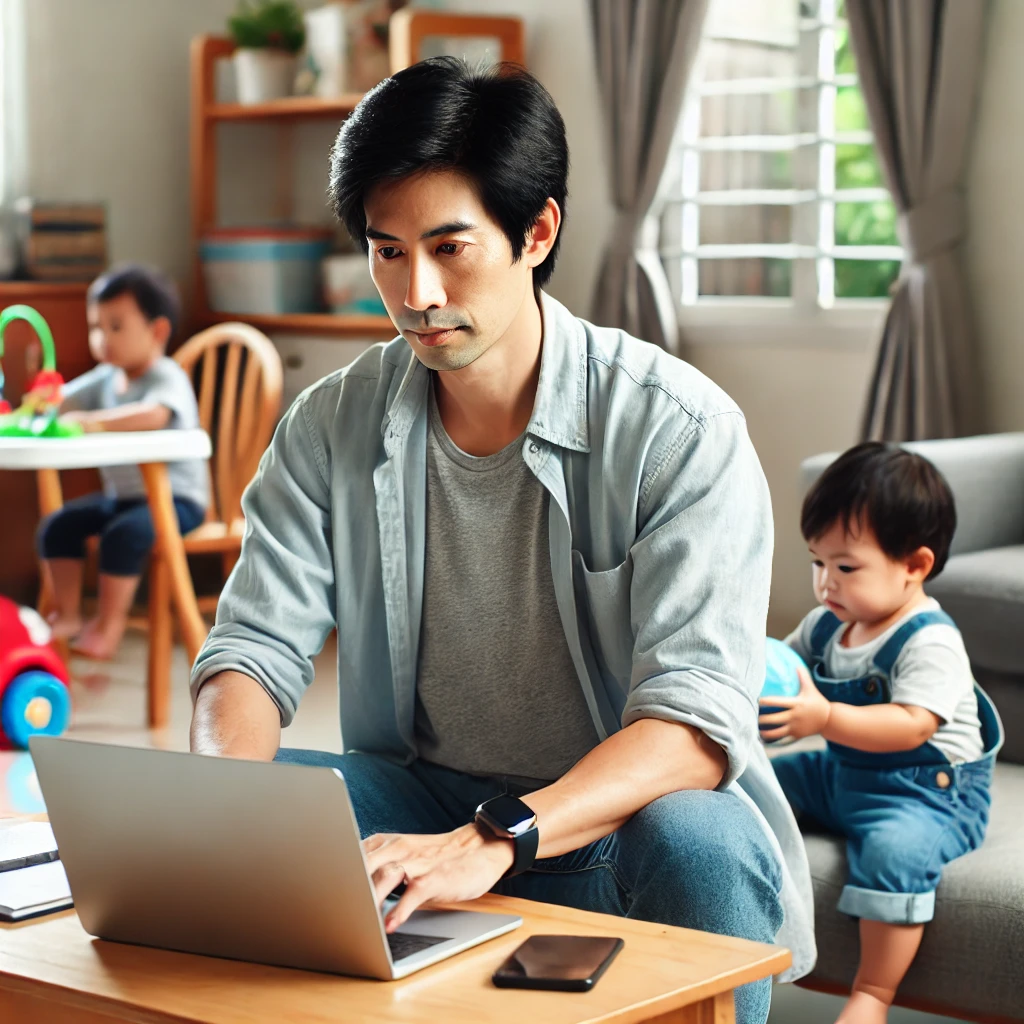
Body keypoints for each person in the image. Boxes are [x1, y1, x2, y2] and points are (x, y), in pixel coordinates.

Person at [189, 58, 814, 1023]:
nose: (418, 292)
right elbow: (252, 649)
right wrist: (218, 806)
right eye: (387, 252)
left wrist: (498, 837)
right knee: (255, 810)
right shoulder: (328, 426)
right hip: (421, 803)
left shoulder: (679, 429)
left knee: (702, 840)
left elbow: (693, 726)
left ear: (537, 232)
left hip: (612, 827)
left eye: (449, 246)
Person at [761, 442, 1003, 1024]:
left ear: (915, 565)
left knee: (895, 853)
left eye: (846, 567)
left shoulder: (930, 640)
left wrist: (822, 719)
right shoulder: (827, 625)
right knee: (758, 784)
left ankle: (873, 991)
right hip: (844, 772)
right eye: (817, 562)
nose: (826, 584)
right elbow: (787, 670)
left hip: (927, 792)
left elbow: (910, 724)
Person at [38, 264, 208, 660]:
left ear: (158, 332)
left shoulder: (166, 376)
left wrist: (92, 423)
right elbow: (59, 399)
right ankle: (68, 613)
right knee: (58, 526)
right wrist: (41, 401)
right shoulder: (106, 378)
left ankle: (109, 625)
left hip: (177, 501)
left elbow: (154, 415)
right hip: (127, 498)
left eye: (116, 327)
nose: (103, 339)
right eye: (96, 327)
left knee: (124, 536)